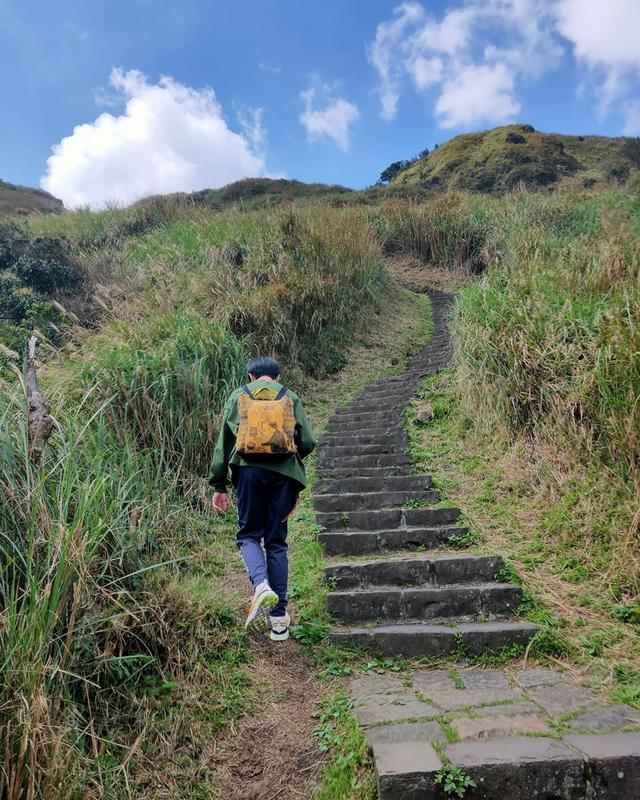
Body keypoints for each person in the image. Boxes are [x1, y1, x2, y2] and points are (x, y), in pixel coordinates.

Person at [210, 356, 317, 641]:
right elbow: (307, 441)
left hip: (248, 473)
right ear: (278, 378)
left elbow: (225, 443)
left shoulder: (239, 395)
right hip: (283, 476)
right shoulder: (289, 396)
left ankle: (260, 586)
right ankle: (279, 620)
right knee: (277, 541)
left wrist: (219, 485)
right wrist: (290, 465)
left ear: (250, 376)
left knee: (248, 535)